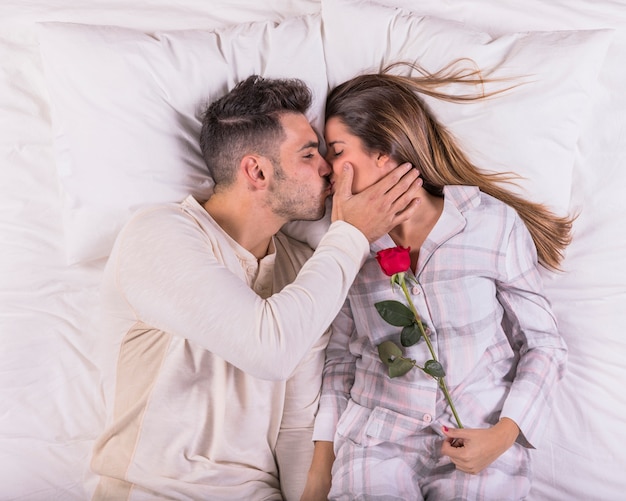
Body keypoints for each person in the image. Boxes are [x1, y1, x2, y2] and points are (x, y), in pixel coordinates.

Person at [89, 75, 422, 501]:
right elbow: (269, 349)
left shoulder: (307, 267)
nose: (327, 167)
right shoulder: (159, 234)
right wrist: (351, 234)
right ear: (258, 170)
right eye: (308, 153)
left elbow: (296, 425)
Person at [302, 63, 571, 500]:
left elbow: (544, 343)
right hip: (378, 439)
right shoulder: (342, 247)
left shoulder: (489, 223)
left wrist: (504, 434)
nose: (327, 169)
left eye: (336, 150)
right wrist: (319, 472)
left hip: (479, 436)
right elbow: (341, 360)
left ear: (384, 153)